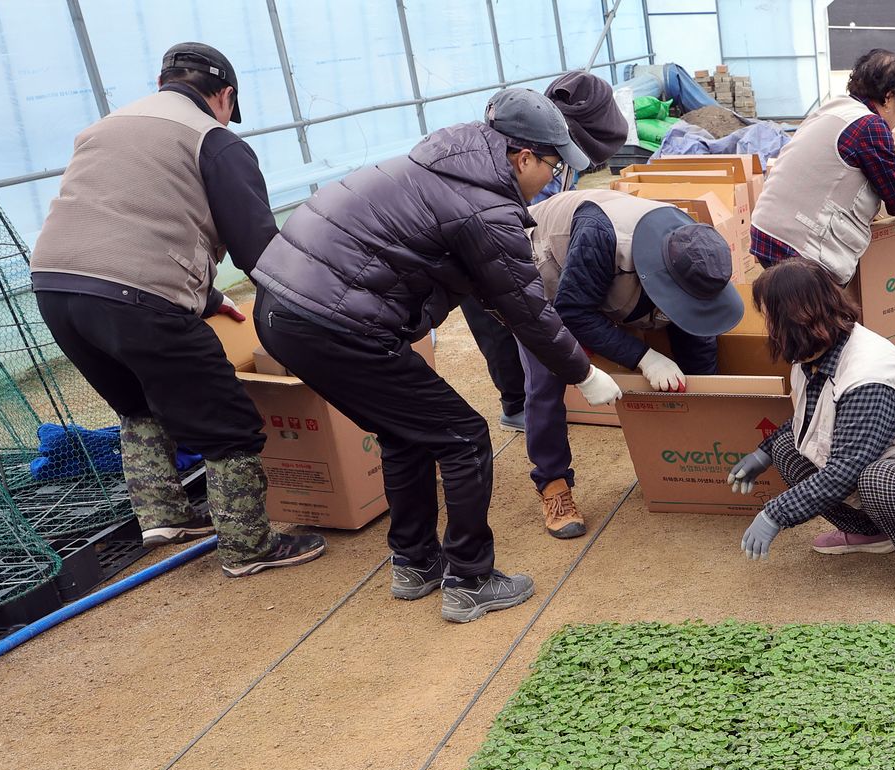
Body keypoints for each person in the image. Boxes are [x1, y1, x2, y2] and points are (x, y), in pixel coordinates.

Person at [251, 89, 621, 623]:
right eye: (554, 165)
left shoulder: (447, 163)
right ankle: (470, 579)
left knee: (408, 431)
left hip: (283, 306)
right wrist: (583, 373)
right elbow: (527, 308)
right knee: (464, 435)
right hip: (333, 318)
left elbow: (477, 288)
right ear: (523, 157)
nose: (556, 178)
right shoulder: (485, 206)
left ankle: (414, 562)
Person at [29, 42, 324, 577]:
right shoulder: (214, 140)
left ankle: (163, 516)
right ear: (225, 96)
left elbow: (124, 219)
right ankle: (247, 547)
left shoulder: (106, 127)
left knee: (139, 403)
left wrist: (208, 296)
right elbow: (258, 248)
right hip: (137, 299)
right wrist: (312, 305)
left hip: (54, 289)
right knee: (230, 423)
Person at [727, 259, 895, 605]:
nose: (767, 325)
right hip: (884, 465)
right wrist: (764, 452)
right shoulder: (815, 353)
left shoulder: (870, 374)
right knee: (788, 447)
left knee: (878, 479)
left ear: (793, 319)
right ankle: (872, 533)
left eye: (769, 315)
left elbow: (845, 472)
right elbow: (812, 420)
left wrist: (775, 513)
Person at [522, 188, 744, 537]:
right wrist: (645, 357)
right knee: (547, 373)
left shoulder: (695, 250)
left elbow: (697, 330)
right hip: (546, 265)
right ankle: (553, 484)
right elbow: (573, 312)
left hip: (606, 273)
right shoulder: (601, 237)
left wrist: (705, 413)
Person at [461, 71, 632, 431]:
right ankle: (517, 403)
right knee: (503, 318)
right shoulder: (523, 156)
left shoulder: (549, 152)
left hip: (528, 239)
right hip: (493, 244)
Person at [749, 49, 895, 282]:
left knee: (796, 315)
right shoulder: (870, 126)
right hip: (798, 248)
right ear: (889, 98)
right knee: (826, 317)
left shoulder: (832, 109)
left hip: (766, 230)